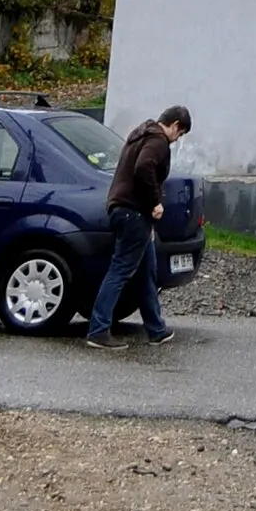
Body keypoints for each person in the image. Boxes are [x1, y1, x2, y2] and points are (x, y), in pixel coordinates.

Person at [84, 103, 192, 350]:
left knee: (146, 272)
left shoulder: (140, 134)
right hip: (134, 213)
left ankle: (156, 329)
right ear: (175, 125)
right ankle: (98, 329)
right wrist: (155, 202)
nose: (177, 139)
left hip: (122, 208)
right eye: (181, 134)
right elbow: (144, 167)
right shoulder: (158, 141)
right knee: (120, 270)